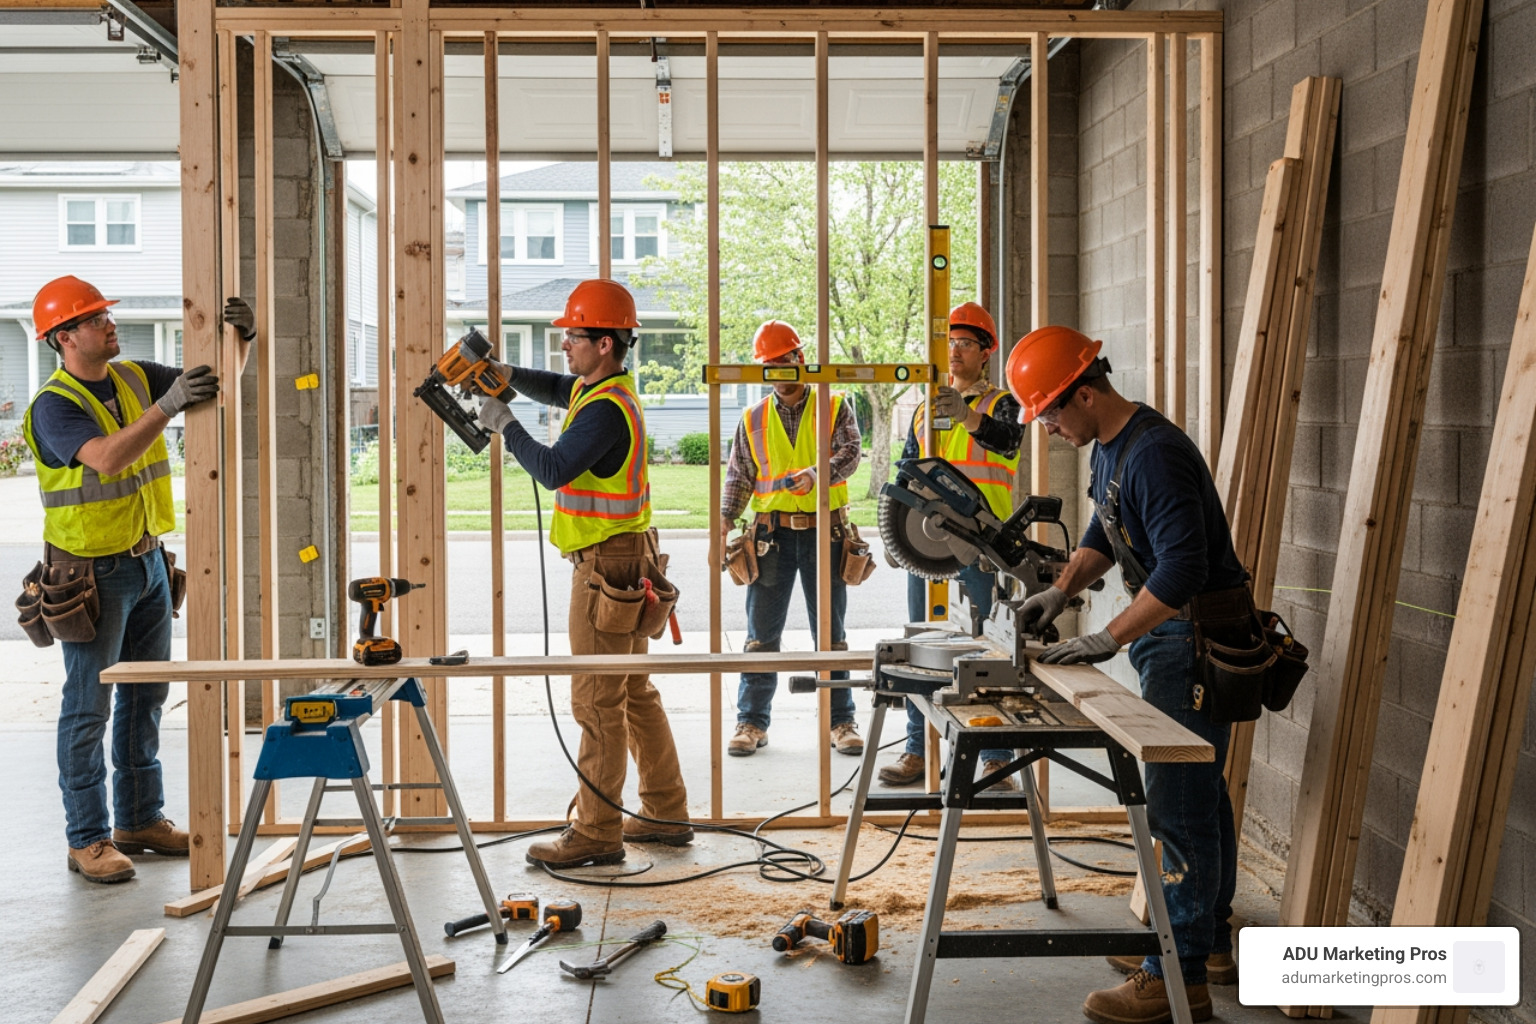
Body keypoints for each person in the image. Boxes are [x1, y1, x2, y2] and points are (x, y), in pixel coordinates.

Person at [1003, 325, 1246, 1023]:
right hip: (1170, 636)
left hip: (1191, 638)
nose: (1048, 429)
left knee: (1177, 806)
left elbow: (1182, 569)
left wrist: (1108, 637)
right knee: (1200, 796)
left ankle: (1178, 979)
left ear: (1085, 392)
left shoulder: (1156, 455)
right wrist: (1062, 589)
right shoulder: (1110, 448)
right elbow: (1104, 532)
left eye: (1051, 412)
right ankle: (1206, 939)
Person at [24, 275, 253, 883]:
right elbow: (106, 457)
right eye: (94, 318)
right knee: (87, 708)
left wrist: (242, 340)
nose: (108, 324)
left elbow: (211, 383)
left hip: (149, 562)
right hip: (92, 574)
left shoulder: (130, 376)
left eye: (104, 315)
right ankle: (88, 839)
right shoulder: (54, 405)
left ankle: (139, 821)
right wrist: (169, 404)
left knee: (146, 698)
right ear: (64, 337)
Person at [476, 278, 693, 870]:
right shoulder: (608, 390)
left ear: (604, 343)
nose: (565, 346)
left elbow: (551, 468)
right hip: (630, 557)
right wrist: (503, 373)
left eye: (573, 337)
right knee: (633, 692)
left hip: (605, 566)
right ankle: (666, 812)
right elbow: (554, 387)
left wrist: (504, 422)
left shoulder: (603, 415)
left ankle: (598, 830)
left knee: (598, 702)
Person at [879, 302, 1023, 790]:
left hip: (984, 546)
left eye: (966, 342)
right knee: (921, 646)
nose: (955, 351)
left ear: (986, 352)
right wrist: (893, 537)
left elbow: (1008, 442)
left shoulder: (1000, 403)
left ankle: (995, 757)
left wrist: (967, 417)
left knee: (989, 652)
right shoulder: (923, 406)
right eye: (950, 342)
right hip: (928, 546)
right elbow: (905, 476)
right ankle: (918, 750)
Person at [718, 321, 865, 759]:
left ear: (800, 359)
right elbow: (739, 474)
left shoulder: (835, 404)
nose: (779, 374)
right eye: (770, 367)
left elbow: (852, 452)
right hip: (771, 536)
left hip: (827, 532)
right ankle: (752, 722)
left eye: (784, 363)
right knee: (761, 634)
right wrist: (725, 520)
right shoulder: (753, 417)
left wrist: (818, 475)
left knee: (831, 634)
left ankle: (841, 721)